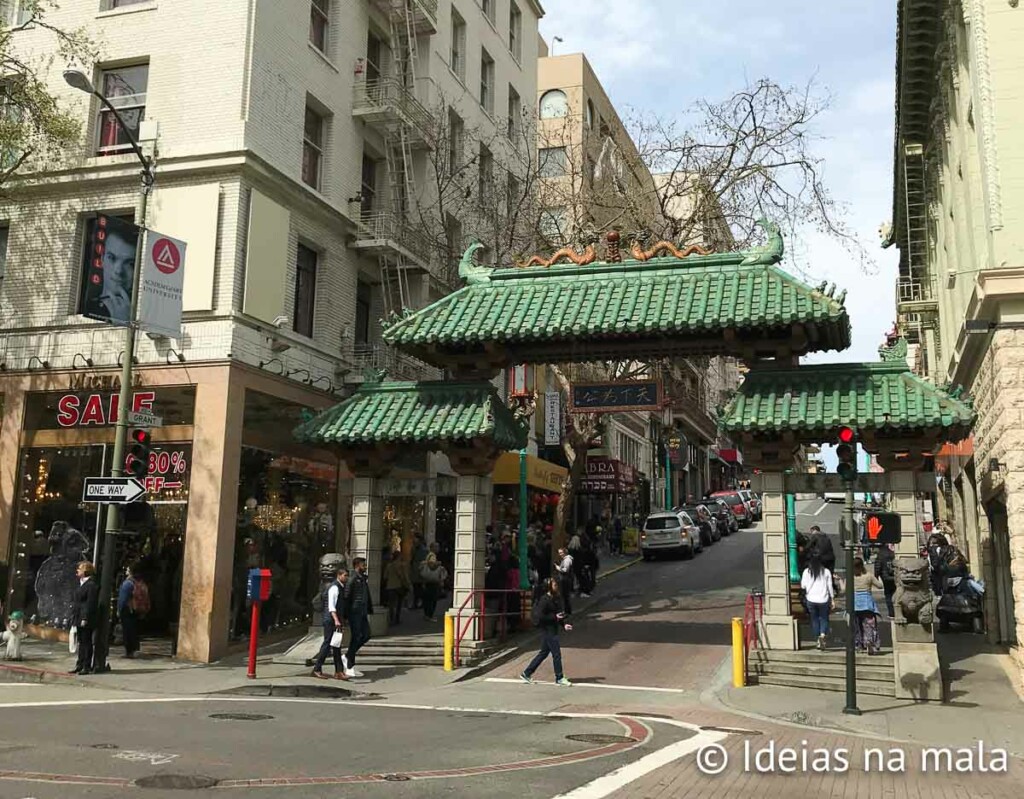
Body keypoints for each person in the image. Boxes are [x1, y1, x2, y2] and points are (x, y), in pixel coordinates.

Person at [520, 578, 573, 686]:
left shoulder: (555, 598)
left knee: (543, 653)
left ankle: (527, 673)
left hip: (552, 629)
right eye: (554, 584)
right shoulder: (544, 600)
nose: (556, 586)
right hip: (547, 630)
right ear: (548, 587)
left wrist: (564, 624)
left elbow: (558, 615)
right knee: (556, 654)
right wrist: (555, 617)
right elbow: (540, 616)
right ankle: (559, 677)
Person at [312, 566, 349, 680]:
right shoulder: (334, 587)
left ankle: (339, 671)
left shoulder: (341, 587)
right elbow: (331, 606)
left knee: (336, 645)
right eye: (345, 576)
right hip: (331, 620)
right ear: (339, 575)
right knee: (327, 643)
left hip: (335, 619)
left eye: (347, 576)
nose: (346, 578)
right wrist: (336, 620)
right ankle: (317, 668)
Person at [343, 557, 373, 679]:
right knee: (356, 637)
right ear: (357, 565)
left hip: (363, 612)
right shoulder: (353, 578)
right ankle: (350, 665)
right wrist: (345, 615)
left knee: (366, 635)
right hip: (355, 612)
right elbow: (347, 596)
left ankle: (348, 656)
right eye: (363, 565)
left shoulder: (362, 578)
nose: (365, 566)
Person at [69, 561, 99, 674]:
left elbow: (90, 603)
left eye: (80, 569)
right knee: (81, 641)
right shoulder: (80, 583)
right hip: (77, 615)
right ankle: (79, 664)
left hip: (85, 617)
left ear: (86, 571)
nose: (77, 570)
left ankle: (86, 665)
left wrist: (85, 618)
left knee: (86, 641)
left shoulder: (91, 585)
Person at [800, 551, 834, 651]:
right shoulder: (826, 571)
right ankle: (823, 634)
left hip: (811, 598)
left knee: (814, 619)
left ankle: (818, 638)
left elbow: (803, 585)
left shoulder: (807, 571)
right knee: (824, 617)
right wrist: (832, 599)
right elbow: (830, 586)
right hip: (823, 598)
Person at [852, 557, 883, 654]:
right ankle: (870, 641)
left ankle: (859, 645)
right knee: (870, 625)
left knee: (857, 626)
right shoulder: (869, 576)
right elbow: (879, 586)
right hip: (867, 603)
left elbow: (844, 589)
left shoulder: (851, 577)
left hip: (855, 604)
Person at [117, 565, 148, 659]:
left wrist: (119, 610)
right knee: (134, 630)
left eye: (127, 569)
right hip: (136, 609)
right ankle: (135, 649)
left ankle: (129, 651)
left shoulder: (128, 583)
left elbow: (123, 599)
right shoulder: (140, 582)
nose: (126, 570)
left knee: (127, 631)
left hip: (127, 609)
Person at [382, 551, 411, 625]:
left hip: (390, 586)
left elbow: (385, 576)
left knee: (391, 604)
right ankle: (397, 619)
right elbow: (404, 576)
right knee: (399, 604)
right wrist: (408, 584)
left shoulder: (389, 565)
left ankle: (392, 619)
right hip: (399, 586)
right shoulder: (401, 565)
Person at [419, 552, 447, 621]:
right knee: (429, 600)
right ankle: (429, 615)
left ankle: (428, 615)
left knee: (430, 600)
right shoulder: (436, 566)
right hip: (430, 584)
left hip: (430, 584)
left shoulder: (426, 565)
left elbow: (420, 573)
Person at [874, 543, 897, 617]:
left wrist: (876, 576)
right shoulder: (893, 553)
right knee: (895, 593)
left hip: (885, 577)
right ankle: (897, 610)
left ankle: (891, 612)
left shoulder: (880, 555)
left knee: (888, 595)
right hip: (894, 576)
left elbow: (877, 566)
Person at [409, 534, 428, 610]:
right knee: (417, 588)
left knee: (418, 588)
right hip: (416, 571)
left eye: (415, 539)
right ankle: (417, 602)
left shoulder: (422, 550)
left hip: (419, 571)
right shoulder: (415, 549)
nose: (414, 541)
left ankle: (419, 602)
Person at [554, 546, 574, 615]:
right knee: (565, 596)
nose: (560, 554)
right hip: (565, 579)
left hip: (566, 580)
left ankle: (567, 611)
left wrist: (558, 568)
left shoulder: (567, 560)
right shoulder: (565, 559)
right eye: (559, 553)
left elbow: (565, 570)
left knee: (565, 596)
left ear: (565, 552)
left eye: (561, 553)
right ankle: (567, 610)